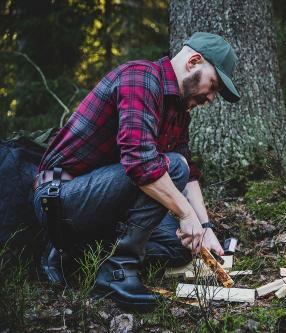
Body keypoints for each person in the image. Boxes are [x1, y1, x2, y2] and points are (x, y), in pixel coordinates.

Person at [32, 32, 240, 311]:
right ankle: (115, 274)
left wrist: (204, 228)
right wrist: (185, 213)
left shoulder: (178, 112)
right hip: (61, 199)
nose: (212, 98)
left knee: (180, 246)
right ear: (193, 62)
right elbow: (140, 164)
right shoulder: (140, 78)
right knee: (172, 165)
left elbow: (188, 174)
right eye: (213, 85)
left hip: (106, 202)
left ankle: (72, 250)